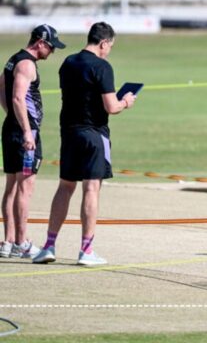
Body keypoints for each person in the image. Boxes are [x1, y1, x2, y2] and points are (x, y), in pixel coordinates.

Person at [33, 22, 136, 266]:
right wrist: (126, 102)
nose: (109, 50)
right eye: (110, 45)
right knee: (91, 189)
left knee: (65, 187)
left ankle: (48, 245)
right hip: (94, 134)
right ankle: (86, 250)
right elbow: (111, 107)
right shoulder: (102, 66)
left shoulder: (68, 62)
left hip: (69, 132)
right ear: (103, 43)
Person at [0, 25, 65, 258]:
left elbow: (1, 88)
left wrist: (13, 118)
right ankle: (21, 242)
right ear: (40, 43)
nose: (52, 52)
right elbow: (17, 97)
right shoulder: (27, 64)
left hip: (12, 129)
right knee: (25, 187)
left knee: (12, 186)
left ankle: (7, 242)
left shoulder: (13, 59)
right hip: (25, 135)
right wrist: (27, 129)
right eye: (51, 47)